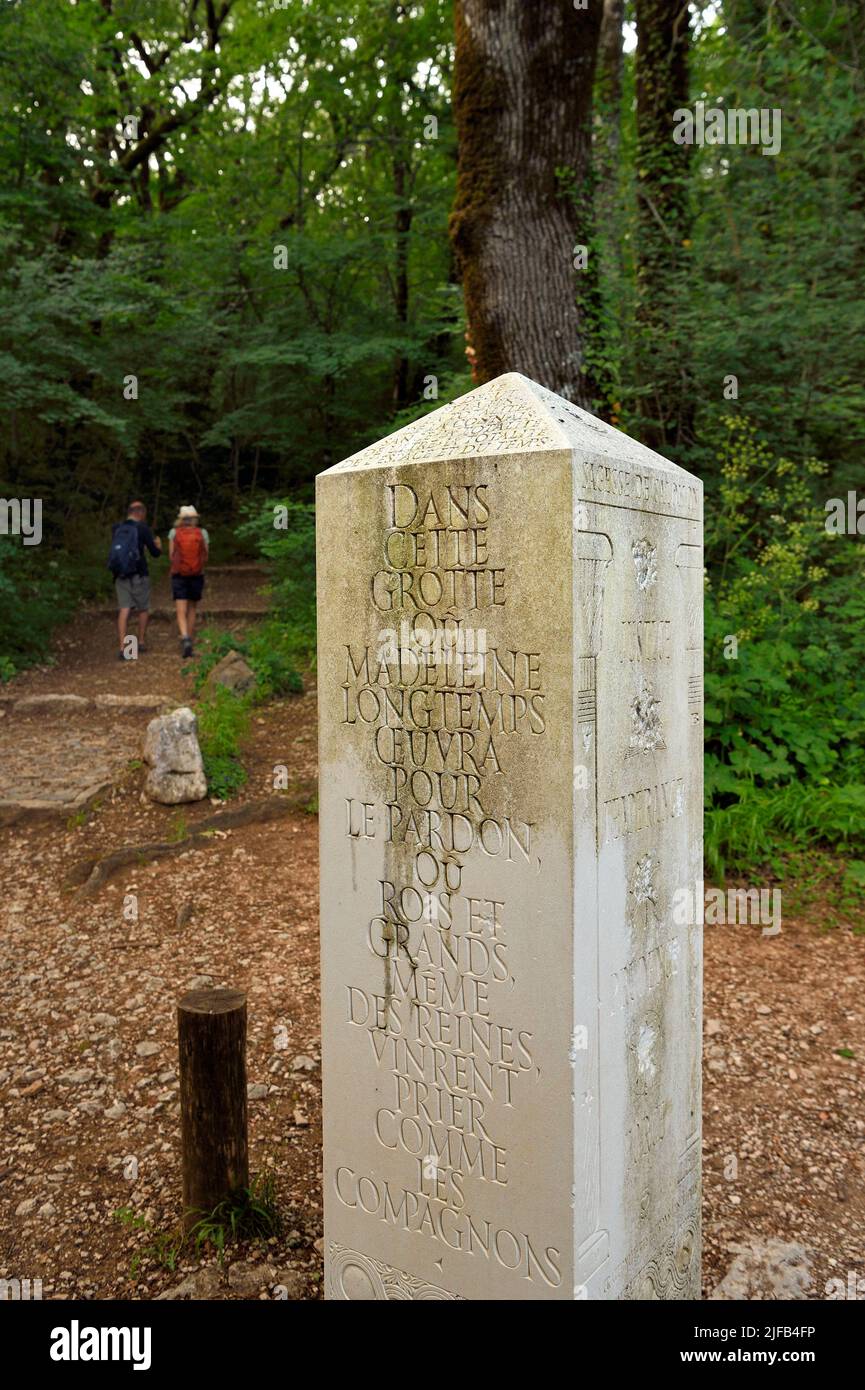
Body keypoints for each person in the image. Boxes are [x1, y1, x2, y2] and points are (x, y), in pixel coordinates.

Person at [108, 500, 162, 660]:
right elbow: (155, 553)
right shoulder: (143, 528)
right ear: (141, 513)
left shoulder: (117, 528)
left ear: (129, 512)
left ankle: (123, 648)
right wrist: (158, 546)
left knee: (124, 609)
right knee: (142, 608)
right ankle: (141, 642)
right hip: (140, 574)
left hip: (121, 575)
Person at [169, 505, 209, 658]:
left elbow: (172, 556)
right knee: (192, 608)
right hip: (197, 574)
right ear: (194, 518)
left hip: (179, 574)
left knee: (181, 609)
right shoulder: (202, 533)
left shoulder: (174, 533)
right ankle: (190, 641)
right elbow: (206, 556)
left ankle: (184, 637)